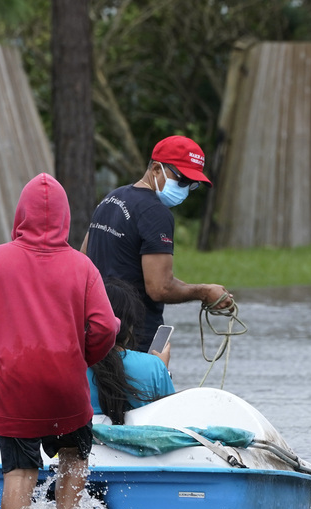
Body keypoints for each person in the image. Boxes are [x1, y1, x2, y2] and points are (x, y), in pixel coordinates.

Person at [0, 173, 119, 509]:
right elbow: (104, 327)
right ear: (65, 217)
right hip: (66, 391)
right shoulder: (82, 266)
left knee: (20, 473)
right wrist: (77, 360)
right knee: (73, 460)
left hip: (15, 390)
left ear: (20, 215)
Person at [82, 135, 232, 352]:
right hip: (136, 337)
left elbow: (84, 258)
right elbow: (159, 288)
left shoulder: (110, 199)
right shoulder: (155, 212)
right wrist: (204, 292)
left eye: (193, 185)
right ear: (155, 169)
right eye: (182, 180)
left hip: (97, 331)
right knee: (148, 384)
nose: (185, 188)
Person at [87, 278, 175, 425]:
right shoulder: (153, 366)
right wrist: (163, 371)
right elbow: (169, 420)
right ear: (130, 327)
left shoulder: (72, 366)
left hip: (87, 444)